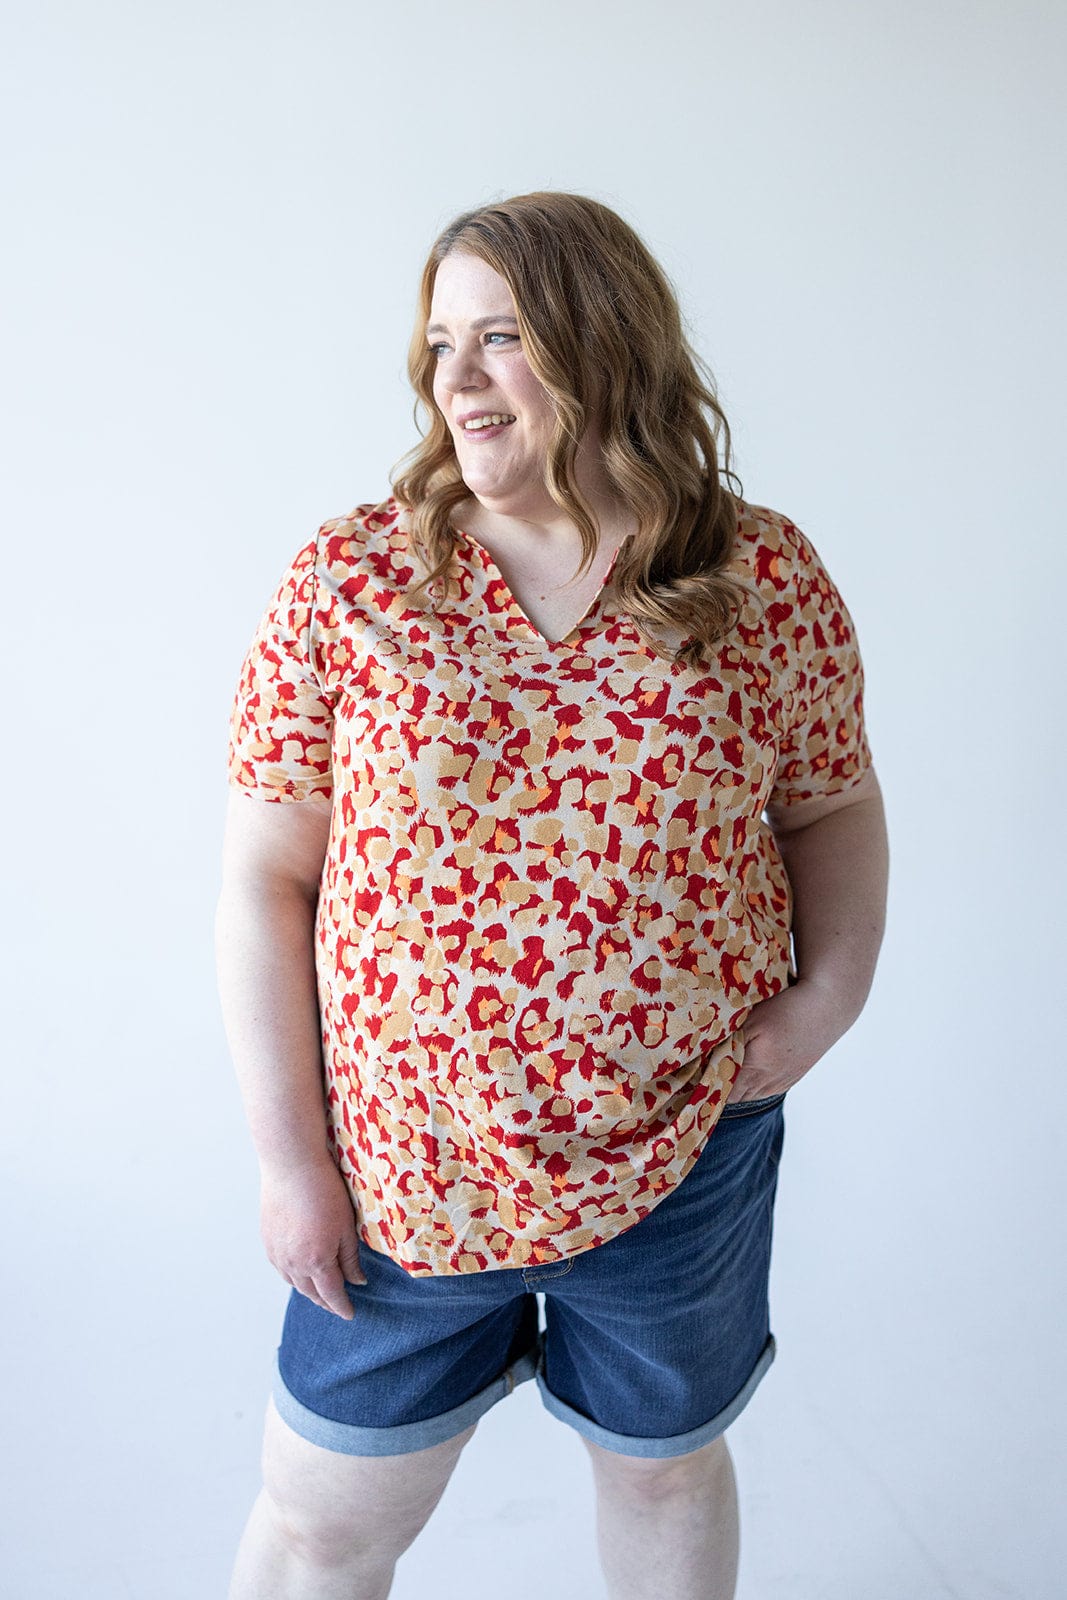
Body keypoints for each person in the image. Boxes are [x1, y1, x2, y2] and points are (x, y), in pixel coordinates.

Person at [216, 190, 889, 1600]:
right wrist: (292, 1164)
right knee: (321, 1521)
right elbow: (269, 878)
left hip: (684, 1154)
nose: (452, 378)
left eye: (501, 335)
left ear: (604, 344)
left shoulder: (758, 579)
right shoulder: (356, 580)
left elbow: (830, 804)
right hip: (404, 1172)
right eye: (440, 340)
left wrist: (828, 1001)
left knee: (663, 1468)